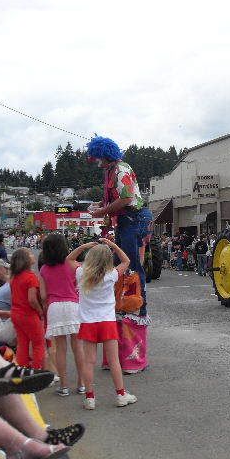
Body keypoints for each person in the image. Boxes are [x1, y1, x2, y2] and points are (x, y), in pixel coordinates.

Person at [86, 136, 153, 319]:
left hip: (134, 218)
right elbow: (115, 198)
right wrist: (99, 205)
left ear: (105, 155)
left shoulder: (121, 169)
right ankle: (123, 304)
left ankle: (140, 310)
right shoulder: (110, 170)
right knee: (118, 262)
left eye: (97, 157)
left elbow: (125, 199)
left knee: (131, 264)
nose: (97, 162)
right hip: (125, 220)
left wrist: (102, 212)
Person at [71, 239, 137, 410]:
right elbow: (126, 261)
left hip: (88, 322)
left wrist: (84, 246)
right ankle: (121, 394)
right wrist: (113, 245)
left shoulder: (82, 273)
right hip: (107, 321)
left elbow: (69, 260)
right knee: (114, 360)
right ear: (108, 259)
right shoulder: (111, 275)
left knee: (89, 362)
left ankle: (90, 398)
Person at [39, 233, 85, 397]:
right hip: (73, 305)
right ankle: (81, 384)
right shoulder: (71, 265)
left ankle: (64, 386)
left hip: (54, 308)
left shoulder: (44, 269)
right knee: (78, 347)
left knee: (60, 349)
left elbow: (43, 296)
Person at [9, 248, 45, 369]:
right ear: (26, 259)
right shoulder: (31, 277)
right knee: (38, 343)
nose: (33, 255)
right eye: (30, 254)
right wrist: (40, 311)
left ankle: (23, 369)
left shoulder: (14, 277)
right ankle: (36, 371)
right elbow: (32, 299)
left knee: (22, 343)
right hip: (28, 314)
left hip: (15, 313)